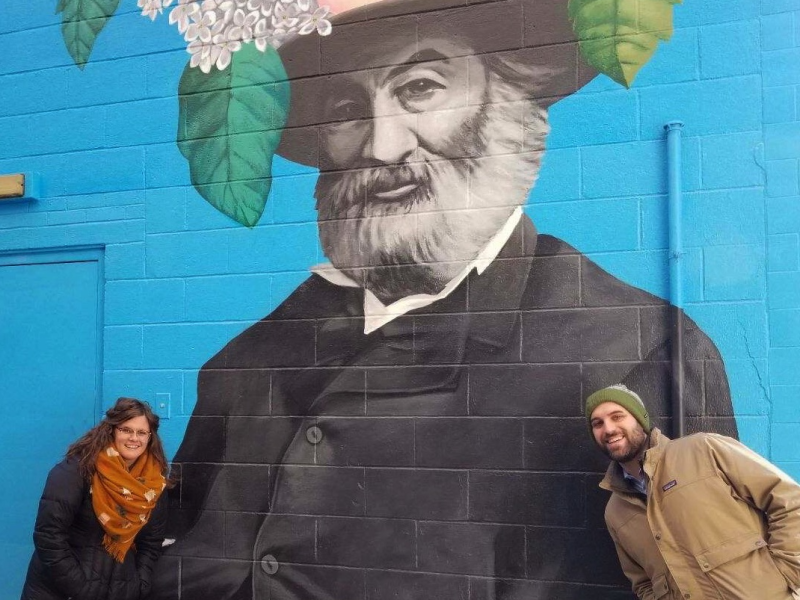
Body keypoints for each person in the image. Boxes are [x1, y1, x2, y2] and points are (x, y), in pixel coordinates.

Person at [154, 0, 737, 598]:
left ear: (509, 102)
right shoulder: (245, 363)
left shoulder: (641, 349)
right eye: (348, 109)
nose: (382, 146)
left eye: (419, 88)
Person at [587, 384, 800, 600]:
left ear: (641, 420)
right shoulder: (615, 512)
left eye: (617, 416)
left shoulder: (704, 450)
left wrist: (789, 575)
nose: (609, 429)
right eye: (598, 424)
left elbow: (790, 501)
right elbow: (642, 583)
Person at [21, 397, 171, 600]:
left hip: (118, 590)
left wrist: (139, 583)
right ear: (111, 431)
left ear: (150, 437)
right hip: (59, 592)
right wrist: (80, 588)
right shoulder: (77, 470)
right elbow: (49, 535)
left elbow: (151, 543)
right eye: (125, 430)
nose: (134, 438)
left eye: (141, 432)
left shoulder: (153, 484)